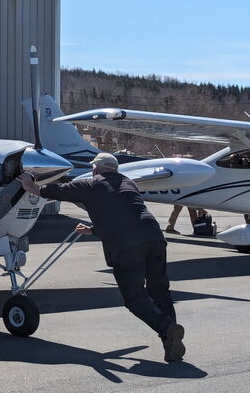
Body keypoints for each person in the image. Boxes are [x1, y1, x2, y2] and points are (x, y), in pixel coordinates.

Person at [18, 152, 186, 362]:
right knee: (160, 291)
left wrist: (30, 185)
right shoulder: (128, 182)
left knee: (135, 299)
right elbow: (123, 213)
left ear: (96, 169)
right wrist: (94, 230)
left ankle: (168, 328)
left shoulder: (91, 184)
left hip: (127, 245)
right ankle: (171, 343)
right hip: (154, 236)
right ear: (115, 169)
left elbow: (58, 191)